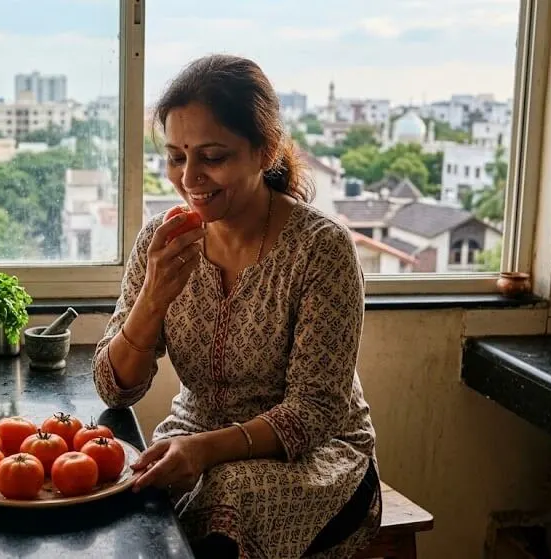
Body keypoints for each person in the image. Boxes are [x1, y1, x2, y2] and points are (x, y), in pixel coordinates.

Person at [92, 54, 381, 558]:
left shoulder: (320, 249)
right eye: (178, 157)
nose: (190, 178)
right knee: (122, 495)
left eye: (213, 156)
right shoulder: (162, 242)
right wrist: (153, 296)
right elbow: (114, 389)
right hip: (193, 434)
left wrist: (205, 452)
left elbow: (314, 412)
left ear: (264, 150)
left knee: (227, 499)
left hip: (313, 458)